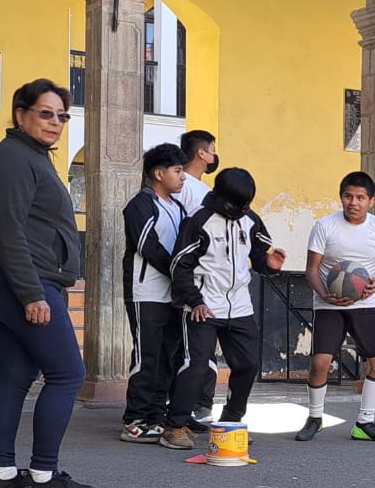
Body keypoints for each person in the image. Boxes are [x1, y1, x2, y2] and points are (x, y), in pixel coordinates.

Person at [0, 79, 94, 488]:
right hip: (28, 283)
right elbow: (7, 233)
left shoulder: (32, 157)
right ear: (20, 114)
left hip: (30, 282)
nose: (56, 123)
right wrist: (32, 294)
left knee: (16, 375)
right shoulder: (13, 158)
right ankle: (43, 476)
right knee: (68, 374)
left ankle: (2, 474)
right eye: (46, 113)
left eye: (62, 115)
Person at [161, 167, 287, 450]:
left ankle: (231, 421)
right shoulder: (199, 221)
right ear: (219, 197)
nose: (240, 210)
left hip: (240, 306)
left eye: (245, 205)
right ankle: (175, 426)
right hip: (204, 306)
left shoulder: (249, 220)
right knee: (196, 367)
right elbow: (179, 266)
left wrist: (270, 266)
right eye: (235, 205)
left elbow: (258, 256)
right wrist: (195, 301)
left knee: (248, 365)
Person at [297, 171, 375, 442]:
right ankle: (315, 418)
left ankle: (365, 423)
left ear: (371, 201)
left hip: (364, 303)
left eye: (360, 198)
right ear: (341, 197)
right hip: (329, 305)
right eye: (348, 196)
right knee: (320, 363)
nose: (353, 202)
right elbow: (312, 269)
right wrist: (324, 294)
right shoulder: (325, 226)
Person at [120, 144, 190, 444]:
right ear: (158, 173)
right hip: (145, 292)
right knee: (146, 356)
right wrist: (178, 273)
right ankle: (134, 420)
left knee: (168, 355)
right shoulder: (140, 204)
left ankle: (156, 415)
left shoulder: (178, 207)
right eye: (177, 171)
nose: (183, 177)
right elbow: (148, 247)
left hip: (172, 295)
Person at [178, 128, 221, 421]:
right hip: (196, 279)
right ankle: (194, 407)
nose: (216, 155)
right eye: (213, 149)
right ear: (202, 153)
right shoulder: (191, 190)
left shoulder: (198, 189)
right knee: (196, 347)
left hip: (204, 279)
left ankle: (199, 405)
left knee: (201, 346)